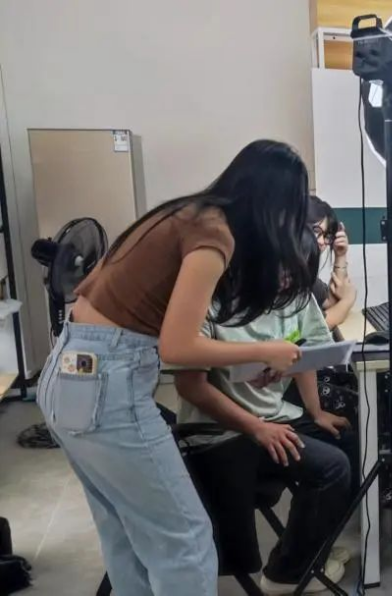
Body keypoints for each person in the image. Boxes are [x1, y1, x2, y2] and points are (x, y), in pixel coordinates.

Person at [36, 140, 312, 596]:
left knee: (126, 535)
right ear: (272, 206)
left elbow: (94, 293)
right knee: (186, 541)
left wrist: (250, 358)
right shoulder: (215, 234)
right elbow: (177, 346)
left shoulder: (180, 213)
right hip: (109, 385)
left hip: (67, 374)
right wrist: (264, 351)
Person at [174, 233, 357, 594]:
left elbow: (305, 354)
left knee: (351, 442)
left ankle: (310, 547)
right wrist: (257, 428)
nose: (288, 284)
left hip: (275, 414)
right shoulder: (213, 302)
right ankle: (285, 574)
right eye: (284, 273)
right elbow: (191, 387)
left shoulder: (297, 296)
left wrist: (316, 412)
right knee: (332, 467)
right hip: (224, 429)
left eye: (298, 276)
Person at [308, 195, 356, 331]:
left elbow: (329, 303)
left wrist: (340, 254)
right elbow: (314, 329)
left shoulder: (305, 271)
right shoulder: (284, 270)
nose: (322, 242)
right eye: (316, 231)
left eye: (326, 236)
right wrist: (347, 300)